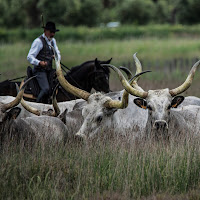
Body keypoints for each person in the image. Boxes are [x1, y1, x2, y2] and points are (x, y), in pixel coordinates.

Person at [27, 21, 61, 103]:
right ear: (45, 31)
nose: (52, 34)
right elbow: (30, 57)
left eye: (54, 32)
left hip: (49, 70)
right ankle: (37, 104)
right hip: (39, 71)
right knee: (46, 89)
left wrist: (56, 57)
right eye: (51, 32)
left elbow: (58, 53)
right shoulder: (38, 42)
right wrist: (39, 62)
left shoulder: (53, 41)